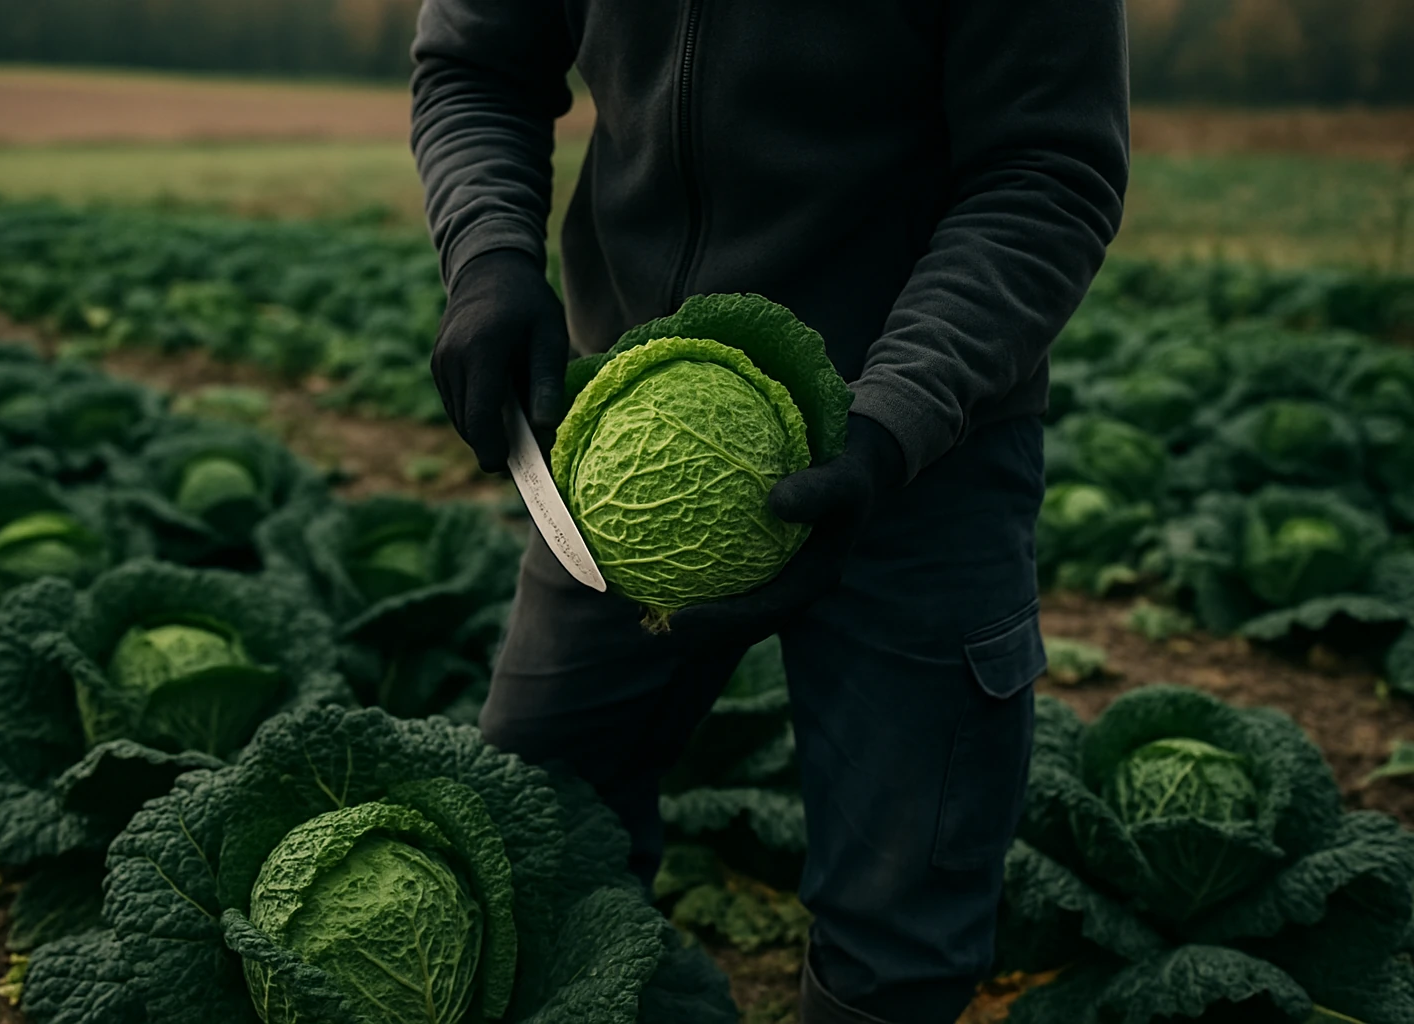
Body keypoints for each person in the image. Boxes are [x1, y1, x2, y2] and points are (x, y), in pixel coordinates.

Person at [410, 2, 1128, 1020]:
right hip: (645, 446)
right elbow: (473, 64)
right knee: (534, 821)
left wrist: (891, 422)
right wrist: (487, 257)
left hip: (928, 447)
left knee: (902, 919)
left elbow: (1047, 168)